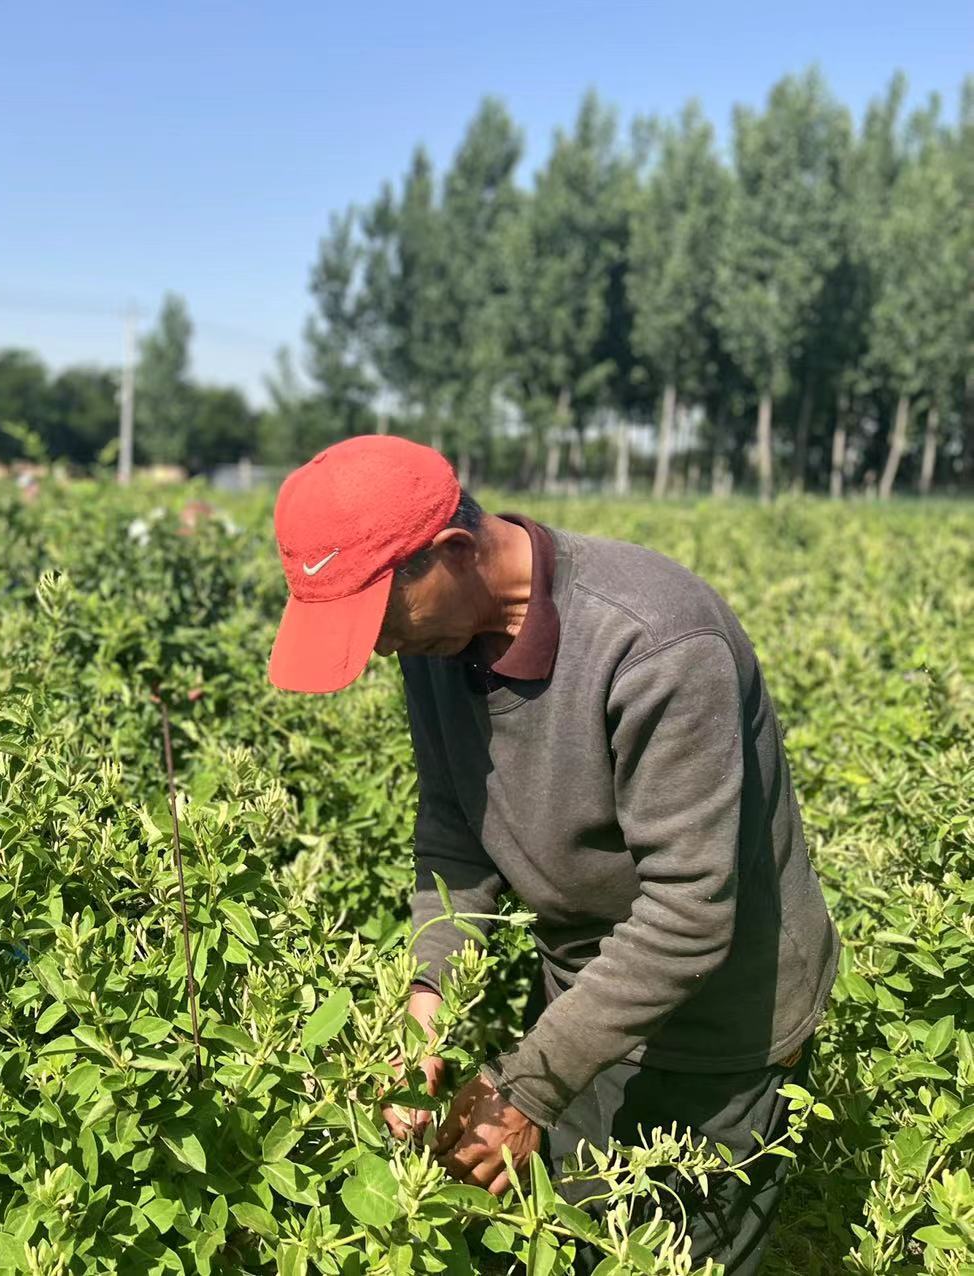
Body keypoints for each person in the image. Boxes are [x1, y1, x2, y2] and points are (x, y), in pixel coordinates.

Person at [266, 435, 838, 1276]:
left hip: (721, 1030)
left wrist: (526, 1088)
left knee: (670, 1257)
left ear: (453, 552)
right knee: (573, 1243)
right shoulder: (438, 642)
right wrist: (426, 998)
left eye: (380, 621)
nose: (380, 648)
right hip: (580, 1006)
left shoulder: (655, 642)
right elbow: (453, 832)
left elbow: (687, 915)